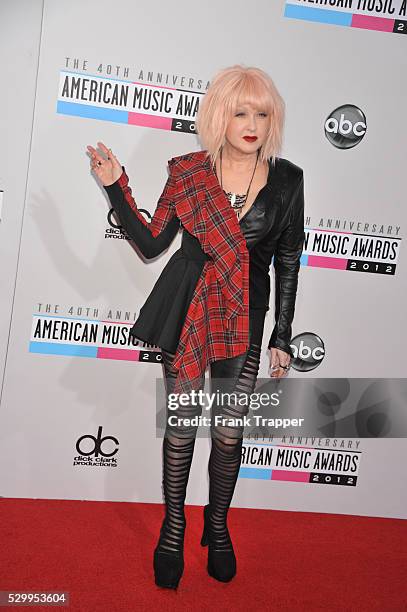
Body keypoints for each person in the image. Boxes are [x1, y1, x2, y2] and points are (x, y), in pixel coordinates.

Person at [87, 64, 305, 589]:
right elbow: (152, 243)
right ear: (218, 116)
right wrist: (117, 187)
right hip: (189, 312)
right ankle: (174, 527)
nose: (251, 123)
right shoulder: (188, 171)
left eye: (261, 112)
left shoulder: (288, 178)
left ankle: (218, 524)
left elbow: (288, 259)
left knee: (229, 436)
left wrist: (281, 334)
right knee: (183, 429)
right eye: (239, 111)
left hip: (245, 320)